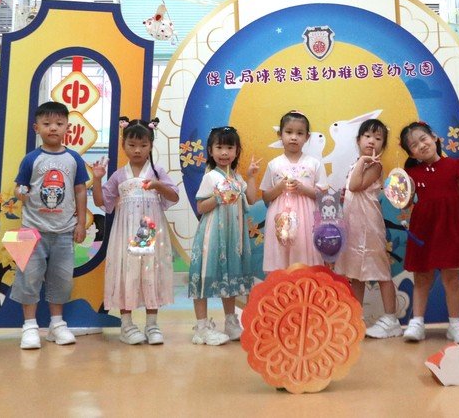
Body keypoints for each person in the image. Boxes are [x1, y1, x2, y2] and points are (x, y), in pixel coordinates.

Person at [90, 117, 178, 345]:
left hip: (150, 231)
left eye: (143, 145)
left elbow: (174, 196)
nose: (137, 150)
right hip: (125, 233)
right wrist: (97, 179)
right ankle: (127, 325)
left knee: (151, 272)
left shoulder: (157, 172)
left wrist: (158, 186)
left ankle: (152, 324)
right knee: (126, 272)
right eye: (132, 145)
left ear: (150, 145)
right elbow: (102, 202)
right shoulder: (119, 175)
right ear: (123, 145)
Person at [10, 101, 89, 350]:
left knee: (62, 279)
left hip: (64, 231)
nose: (53, 128)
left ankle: (57, 324)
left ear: (67, 127)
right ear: (37, 128)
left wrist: (81, 223)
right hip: (31, 230)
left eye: (59, 123)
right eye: (46, 124)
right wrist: (20, 192)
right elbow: (19, 188)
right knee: (28, 278)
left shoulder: (74, 159)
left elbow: (80, 191)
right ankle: (29, 327)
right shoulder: (31, 159)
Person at [399, 121, 459, 344]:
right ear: (412, 154)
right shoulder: (411, 173)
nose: (421, 145)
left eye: (423, 139)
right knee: (422, 277)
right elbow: (405, 204)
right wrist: (401, 195)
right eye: (414, 145)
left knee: (451, 278)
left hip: (450, 228)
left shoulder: (454, 166)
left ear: (434, 137)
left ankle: (454, 325)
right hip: (423, 229)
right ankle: (417, 323)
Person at [188, 126, 260, 346]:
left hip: (234, 236)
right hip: (212, 235)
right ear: (210, 150)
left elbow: (252, 199)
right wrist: (218, 198)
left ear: (237, 151)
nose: (224, 152)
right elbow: (201, 207)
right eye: (219, 147)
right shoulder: (210, 177)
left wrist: (251, 177)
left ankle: (231, 321)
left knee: (230, 277)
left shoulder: (237, 177)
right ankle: (202, 328)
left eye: (230, 147)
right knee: (205, 275)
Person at [334, 118, 401, 339]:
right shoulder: (358, 164)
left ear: (383, 145)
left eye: (378, 138)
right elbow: (351, 190)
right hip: (354, 227)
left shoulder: (375, 165)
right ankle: (356, 318)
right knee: (356, 274)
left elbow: (355, 185)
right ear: (358, 140)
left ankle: (391, 319)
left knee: (381, 271)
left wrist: (363, 162)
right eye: (368, 136)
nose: (372, 141)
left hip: (370, 226)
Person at [261, 110, 325, 271]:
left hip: (307, 218)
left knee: (304, 255)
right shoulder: (273, 164)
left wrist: (304, 189)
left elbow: (323, 195)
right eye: (289, 132)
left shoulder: (314, 164)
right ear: (280, 135)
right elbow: (265, 196)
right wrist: (279, 187)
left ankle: (306, 286)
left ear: (307, 137)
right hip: (279, 219)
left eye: (300, 133)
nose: (294, 137)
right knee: (280, 256)